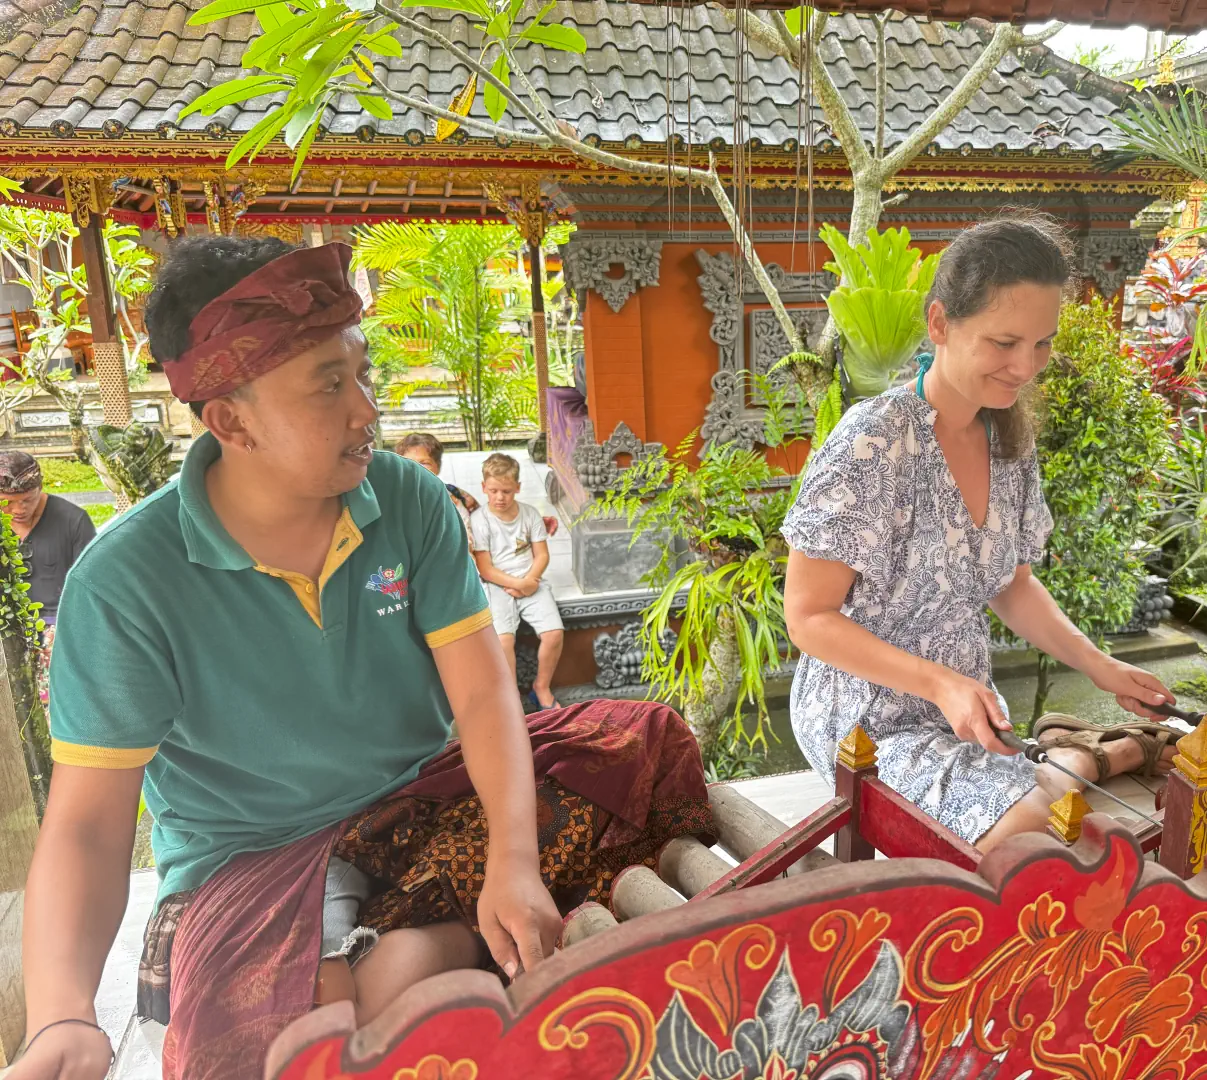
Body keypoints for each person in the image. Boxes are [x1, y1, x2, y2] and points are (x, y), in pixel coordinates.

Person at [11, 236, 710, 1080]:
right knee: (282, 1038)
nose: (367, 411)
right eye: (329, 386)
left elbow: (487, 700)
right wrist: (61, 1015)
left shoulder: (408, 500)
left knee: (646, 746)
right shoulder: (123, 583)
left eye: (363, 373)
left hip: (423, 805)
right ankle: (428, 957)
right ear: (230, 419)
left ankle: (434, 948)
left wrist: (514, 862)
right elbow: (87, 827)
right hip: (252, 862)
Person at [782, 215, 1181, 854]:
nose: (1025, 367)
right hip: (866, 716)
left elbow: (1011, 585)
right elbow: (807, 617)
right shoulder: (872, 442)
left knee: (1069, 822)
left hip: (965, 702)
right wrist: (938, 683)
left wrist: (1099, 665)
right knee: (1037, 837)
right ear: (940, 325)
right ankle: (1087, 757)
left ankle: (1091, 755)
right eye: (1003, 343)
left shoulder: (1006, 440)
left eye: (1042, 344)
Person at [471, 453, 564, 710]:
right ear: (484, 488)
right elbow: (485, 568)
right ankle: (511, 696)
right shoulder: (480, 520)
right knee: (504, 641)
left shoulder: (530, 514)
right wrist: (518, 584)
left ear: (518, 488)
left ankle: (541, 687)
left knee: (554, 633)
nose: (500, 497)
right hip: (497, 586)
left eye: (507, 491)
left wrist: (530, 580)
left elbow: (542, 554)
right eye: (494, 491)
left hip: (531, 581)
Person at [394, 432, 558, 550]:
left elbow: (489, 523)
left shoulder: (456, 495)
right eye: (408, 463)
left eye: (425, 463)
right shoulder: (394, 504)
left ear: (437, 466)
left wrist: (535, 523)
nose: (416, 469)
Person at [0, 450, 97, 626]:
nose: (19, 510)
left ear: (41, 488)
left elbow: (91, 587)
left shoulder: (74, 520)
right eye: (7, 503)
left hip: (61, 624)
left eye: (28, 500)